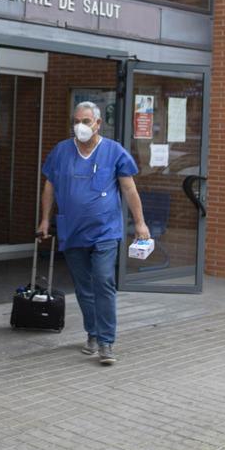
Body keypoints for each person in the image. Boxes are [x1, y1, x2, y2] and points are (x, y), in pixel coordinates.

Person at [37, 102, 150, 365]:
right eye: (76, 121)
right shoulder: (62, 151)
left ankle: (106, 341)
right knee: (84, 288)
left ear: (98, 123)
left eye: (86, 121)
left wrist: (140, 223)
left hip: (105, 231)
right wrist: (44, 219)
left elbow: (129, 190)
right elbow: (49, 186)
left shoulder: (114, 152)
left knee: (103, 281)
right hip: (72, 230)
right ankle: (93, 332)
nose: (80, 126)